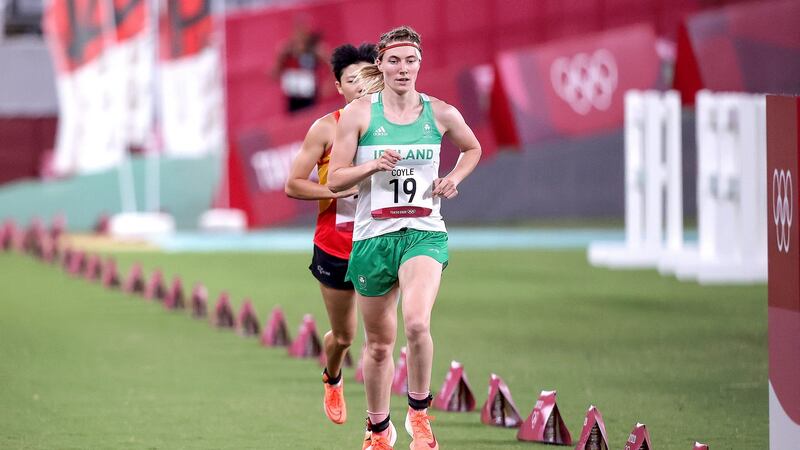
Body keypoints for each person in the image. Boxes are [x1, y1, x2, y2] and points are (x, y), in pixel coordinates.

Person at [328, 26, 482, 450]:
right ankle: (379, 429)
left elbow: (473, 148)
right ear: (380, 63)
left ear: (420, 63)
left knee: (416, 322)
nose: (402, 69)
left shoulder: (441, 113)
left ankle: (419, 412)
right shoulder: (359, 115)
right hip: (373, 239)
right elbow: (336, 180)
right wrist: (372, 166)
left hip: (423, 233)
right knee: (378, 346)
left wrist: (453, 178)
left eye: (410, 60)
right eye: (394, 60)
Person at [285, 42, 378, 426]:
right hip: (336, 246)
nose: (360, 87)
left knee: (381, 341)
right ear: (339, 86)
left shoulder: (394, 126)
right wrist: (334, 189)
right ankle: (332, 375)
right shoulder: (326, 127)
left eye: (366, 79)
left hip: (379, 243)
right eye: (351, 81)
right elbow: (292, 184)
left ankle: (383, 423)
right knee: (344, 337)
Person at [273, 20, 327, 113]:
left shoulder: (314, 50)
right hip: (292, 96)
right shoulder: (287, 50)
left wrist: (327, 87)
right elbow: (277, 70)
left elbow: (331, 64)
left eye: (302, 32)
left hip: (308, 96)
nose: (299, 35)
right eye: (297, 32)